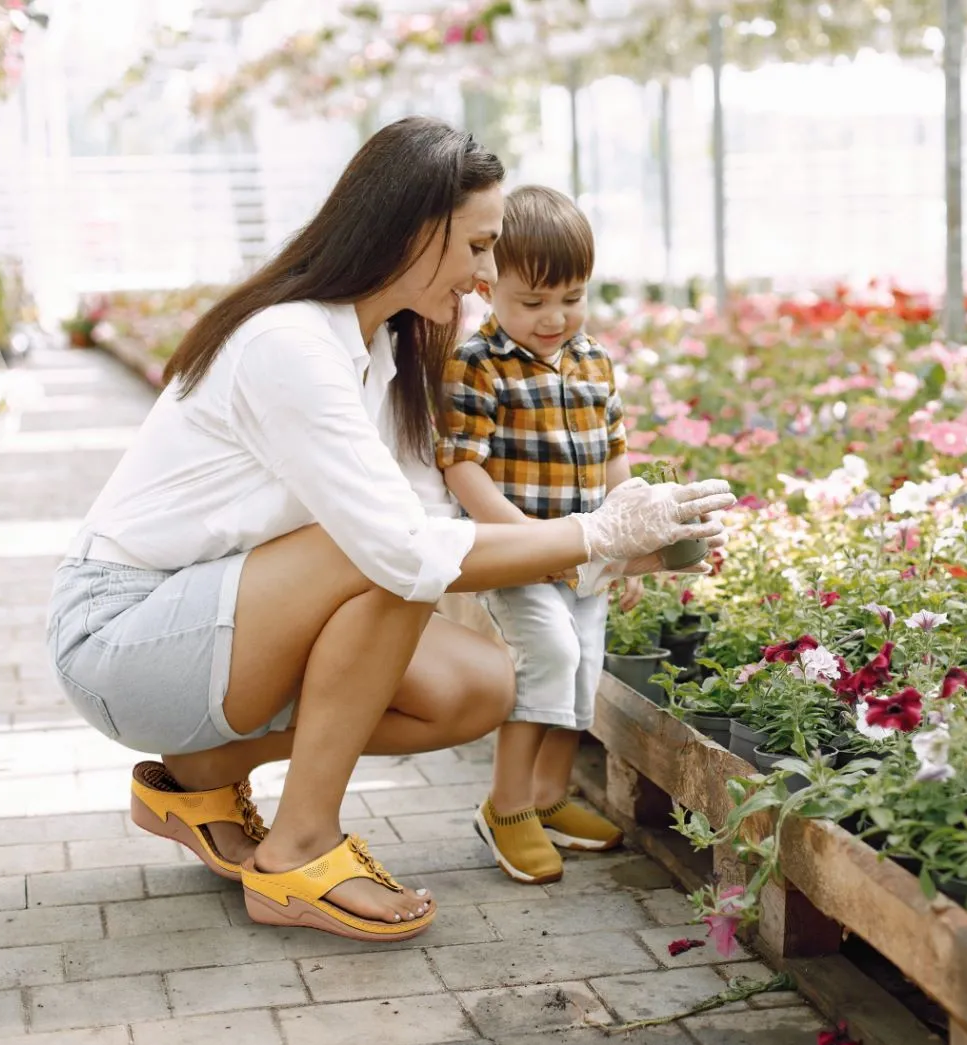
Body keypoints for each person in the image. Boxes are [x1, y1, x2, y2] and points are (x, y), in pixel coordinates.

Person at [44, 118, 734, 944]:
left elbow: (439, 528)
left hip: (227, 621)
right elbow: (405, 551)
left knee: (478, 687)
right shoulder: (289, 343)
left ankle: (202, 777)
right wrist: (599, 533)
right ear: (412, 230)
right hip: (126, 638)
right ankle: (299, 852)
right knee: (384, 553)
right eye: (479, 248)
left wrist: (630, 551)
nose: (486, 279)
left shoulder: (392, 349)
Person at [437, 186, 645, 885]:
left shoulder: (593, 362)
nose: (554, 318)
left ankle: (551, 799)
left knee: (583, 667)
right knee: (547, 657)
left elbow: (615, 453)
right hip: (517, 552)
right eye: (533, 303)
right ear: (488, 285)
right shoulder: (478, 363)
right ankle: (508, 807)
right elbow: (461, 465)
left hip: (588, 554)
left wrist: (627, 535)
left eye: (572, 297)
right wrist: (526, 538)